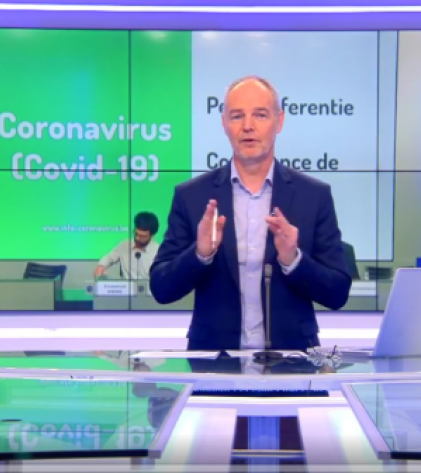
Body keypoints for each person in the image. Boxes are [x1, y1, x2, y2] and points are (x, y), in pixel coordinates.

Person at [150, 76, 351, 351]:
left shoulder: (313, 196)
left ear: (279, 121)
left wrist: (294, 259)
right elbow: (161, 289)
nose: (248, 126)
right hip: (215, 363)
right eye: (237, 116)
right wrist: (200, 254)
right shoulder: (192, 196)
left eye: (260, 115)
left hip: (292, 362)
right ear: (224, 123)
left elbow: (338, 293)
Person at [94, 212, 160, 280]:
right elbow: (109, 257)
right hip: (127, 286)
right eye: (136, 233)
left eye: (142, 236)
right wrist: (101, 266)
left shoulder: (159, 252)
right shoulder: (125, 245)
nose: (137, 238)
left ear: (152, 235)